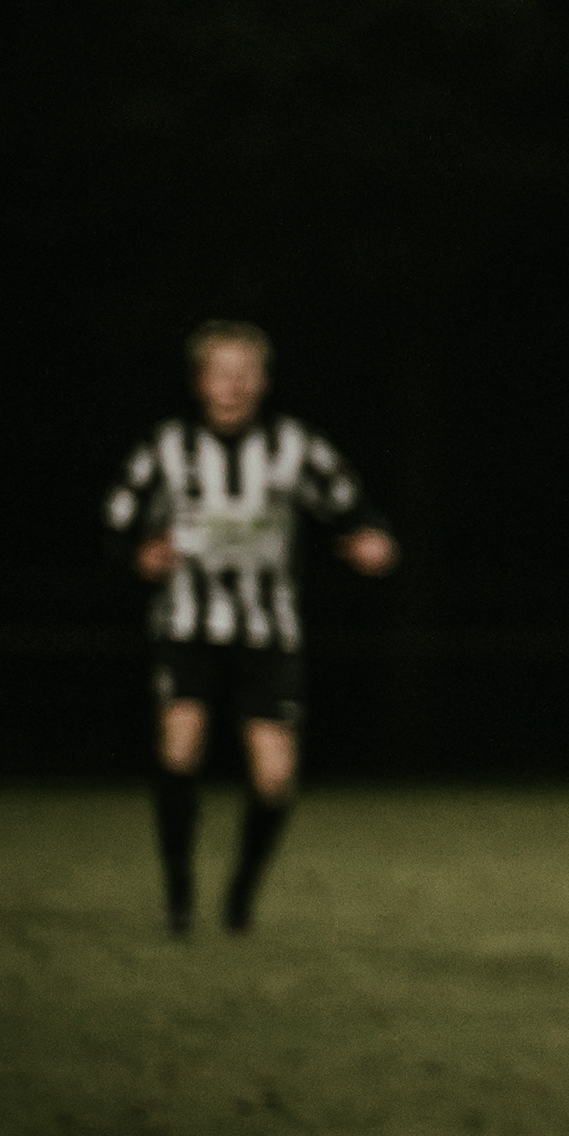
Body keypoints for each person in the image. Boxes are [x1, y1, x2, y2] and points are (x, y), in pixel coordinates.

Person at [103, 321, 397, 935]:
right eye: (220, 373)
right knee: (179, 747)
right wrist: (139, 554)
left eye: (245, 374)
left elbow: (349, 503)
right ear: (199, 383)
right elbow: (120, 516)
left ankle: (240, 891)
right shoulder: (169, 448)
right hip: (187, 625)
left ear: (263, 383)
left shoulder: (293, 446)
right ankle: (180, 898)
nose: (232, 385)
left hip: (269, 630)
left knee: (275, 777)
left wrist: (370, 538)